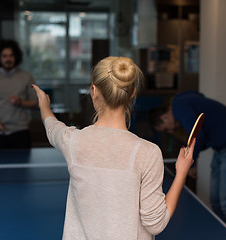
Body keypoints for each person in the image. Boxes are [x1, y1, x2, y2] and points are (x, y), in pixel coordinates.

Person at [31, 56, 195, 239]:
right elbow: (155, 224)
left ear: (94, 91)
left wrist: (44, 104)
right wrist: (181, 172)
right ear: (132, 93)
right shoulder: (148, 152)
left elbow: (52, 128)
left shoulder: (72, 141)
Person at [149, 91, 226, 236]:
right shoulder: (183, 101)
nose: (170, 130)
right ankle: (224, 235)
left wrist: (190, 165)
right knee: (216, 201)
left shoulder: (178, 106)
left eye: (166, 128)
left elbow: (197, 137)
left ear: (164, 117)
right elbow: (202, 133)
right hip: (222, 148)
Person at [0, 39, 37, 149]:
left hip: (21, 132)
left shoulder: (27, 77)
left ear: (16, 57)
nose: (8, 59)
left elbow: (35, 102)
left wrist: (20, 102)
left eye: (11, 55)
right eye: (4, 56)